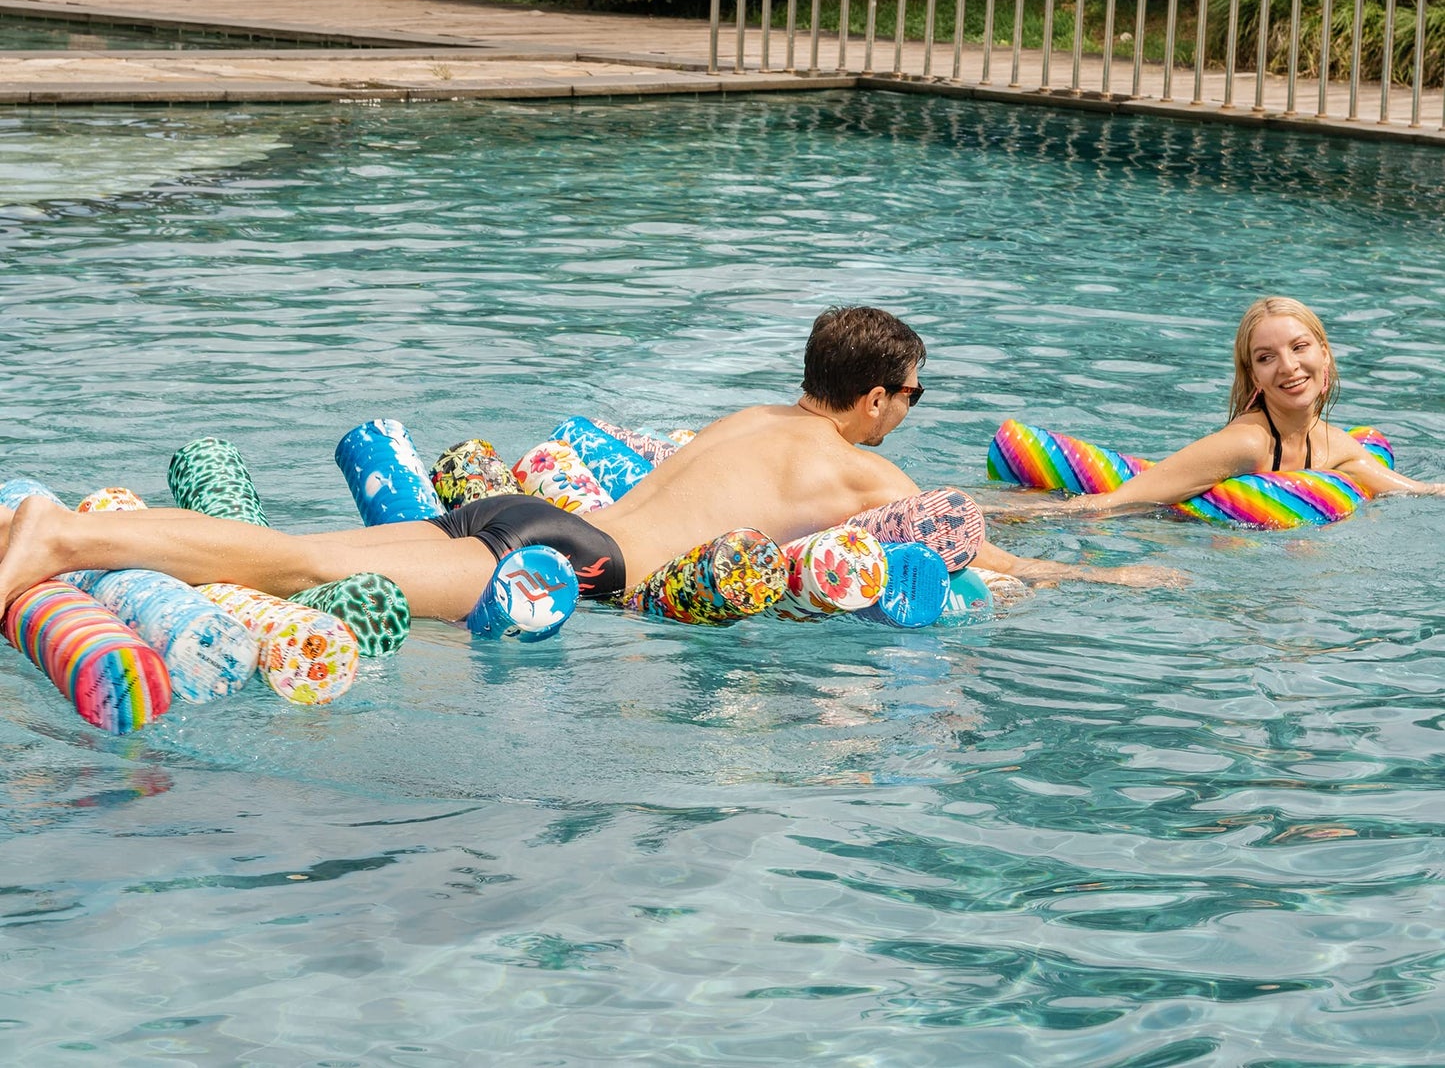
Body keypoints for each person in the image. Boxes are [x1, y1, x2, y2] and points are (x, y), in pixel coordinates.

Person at [0, 306, 1182, 622]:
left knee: (300, 556)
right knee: (303, 564)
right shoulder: (859, 471)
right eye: (910, 398)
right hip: (573, 563)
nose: (908, 416)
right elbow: (979, 554)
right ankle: (63, 535)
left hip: (525, 512)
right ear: (874, 399)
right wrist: (1104, 577)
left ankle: (69, 528)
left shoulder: (749, 416)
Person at [1015, 295, 1445, 517]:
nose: (1289, 367)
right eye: (1266, 357)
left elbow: (1417, 493)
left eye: (1300, 347)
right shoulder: (1245, 444)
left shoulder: (1336, 446)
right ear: (1252, 376)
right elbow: (1117, 505)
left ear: (1325, 353)